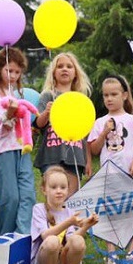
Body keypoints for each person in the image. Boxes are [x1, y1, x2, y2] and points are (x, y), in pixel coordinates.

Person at [87, 75, 133, 264]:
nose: (109, 99)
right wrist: (104, 132)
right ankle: (111, 254)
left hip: (129, 173)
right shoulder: (99, 122)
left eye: (114, 94)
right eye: (105, 95)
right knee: (108, 214)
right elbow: (94, 149)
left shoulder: (132, 120)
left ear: (124, 95)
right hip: (108, 175)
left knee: (132, 211)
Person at [0, 47, 37, 236]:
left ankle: (23, 235)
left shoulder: (17, 92)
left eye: (17, 72)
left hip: (21, 148)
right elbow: (1, 122)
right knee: (9, 198)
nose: (13, 75)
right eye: (9, 71)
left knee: (28, 195)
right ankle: (5, 237)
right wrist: (10, 113)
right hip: (2, 150)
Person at [30, 167, 98, 264]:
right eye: (54, 187)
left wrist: (86, 226)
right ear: (44, 190)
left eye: (63, 187)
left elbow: (72, 240)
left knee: (78, 240)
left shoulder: (68, 212)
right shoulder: (39, 209)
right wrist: (69, 222)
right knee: (52, 241)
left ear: (68, 190)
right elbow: (45, 235)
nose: (59, 191)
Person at [33, 52, 93, 195]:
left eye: (69, 66)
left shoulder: (80, 99)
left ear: (75, 74)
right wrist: (46, 113)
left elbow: (86, 135)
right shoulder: (48, 95)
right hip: (51, 154)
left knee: (71, 199)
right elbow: (38, 124)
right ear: (54, 73)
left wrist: (88, 161)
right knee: (54, 198)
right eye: (60, 66)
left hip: (75, 156)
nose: (64, 69)